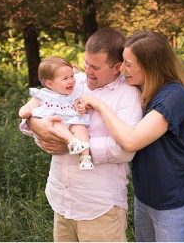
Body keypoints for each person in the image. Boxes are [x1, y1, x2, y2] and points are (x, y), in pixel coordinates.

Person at [19, 28, 143, 241]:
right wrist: (34, 124)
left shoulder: (128, 95)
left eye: (95, 67)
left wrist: (72, 145)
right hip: (62, 197)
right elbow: (39, 105)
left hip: (99, 206)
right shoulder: (74, 82)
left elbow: (124, 149)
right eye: (86, 63)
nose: (87, 71)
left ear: (117, 67)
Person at [76, 31, 184, 242]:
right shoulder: (140, 86)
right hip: (145, 193)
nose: (123, 69)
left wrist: (99, 105)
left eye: (129, 64)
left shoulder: (173, 96)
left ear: (150, 66)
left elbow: (132, 140)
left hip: (174, 196)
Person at [18, 56, 93, 170]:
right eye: (65, 78)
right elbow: (30, 105)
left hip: (72, 121)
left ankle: (85, 157)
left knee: (80, 127)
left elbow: (78, 105)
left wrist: (81, 108)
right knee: (56, 123)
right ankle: (72, 142)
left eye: (71, 76)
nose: (71, 81)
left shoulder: (73, 92)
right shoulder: (44, 94)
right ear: (49, 84)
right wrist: (24, 110)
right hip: (56, 123)